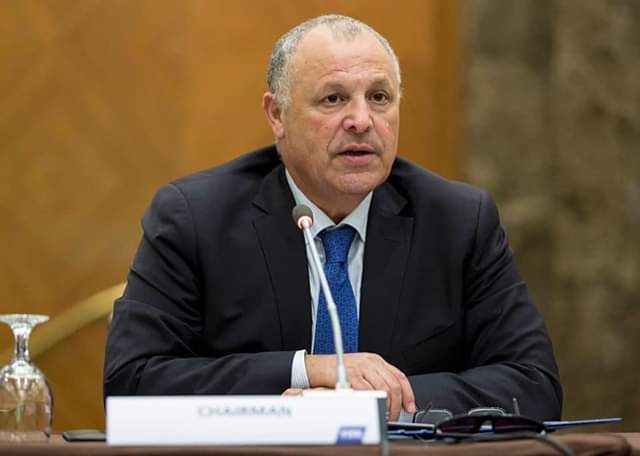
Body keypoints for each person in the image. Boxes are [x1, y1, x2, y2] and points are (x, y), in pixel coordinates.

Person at [103, 15, 562, 422]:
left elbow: (533, 383)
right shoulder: (196, 218)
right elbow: (131, 382)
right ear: (277, 115)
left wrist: (379, 402)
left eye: (379, 97)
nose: (361, 120)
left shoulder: (458, 222)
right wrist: (307, 369)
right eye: (333, 99)